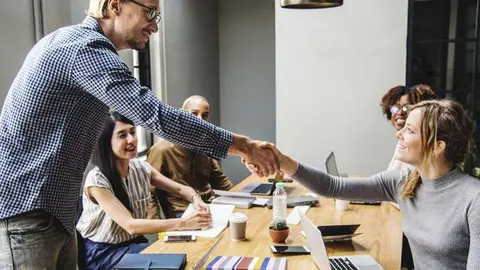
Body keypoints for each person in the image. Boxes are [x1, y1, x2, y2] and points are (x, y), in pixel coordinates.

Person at [0, 0, 277, 268]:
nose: (154, 27)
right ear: (116, 4)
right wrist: (243, 145)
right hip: (26, 213)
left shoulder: (83, 48)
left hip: (54, 214)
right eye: (150, 14)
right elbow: (155, 115)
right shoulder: (84, 48)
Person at [258, 99, 480, 269]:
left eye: (410, 130)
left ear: (438, 146)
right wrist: (283, 162)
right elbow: (334, 187)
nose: (399, 134)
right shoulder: (404, 181)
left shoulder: (473, 200)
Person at [76, 112, 211, 269]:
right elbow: (131, 225)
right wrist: (183, 224)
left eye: (132, 132)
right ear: (106, 143)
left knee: (186, 254)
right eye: (122, 135)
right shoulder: (97, 180)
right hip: (103, 253)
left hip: (134, 244)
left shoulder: (141, 168)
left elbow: (180, 189)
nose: (131, 139)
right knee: (175, 262)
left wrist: (196, 199)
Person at [147, 95, 234, 217]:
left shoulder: (204, 145)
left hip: (211, 206)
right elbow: (149, 193)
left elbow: (220, 181)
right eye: (194, 114)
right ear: (181, 115)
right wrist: (156, 226)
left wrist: (239, 201)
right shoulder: (161, 150)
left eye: (204, 115)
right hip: (182, 214)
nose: (200, 120)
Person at [380, 84, 436, 170]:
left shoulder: (417, 144)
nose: (400, 112)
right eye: (395, 108)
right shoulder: (402, 140)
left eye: (406, 107)